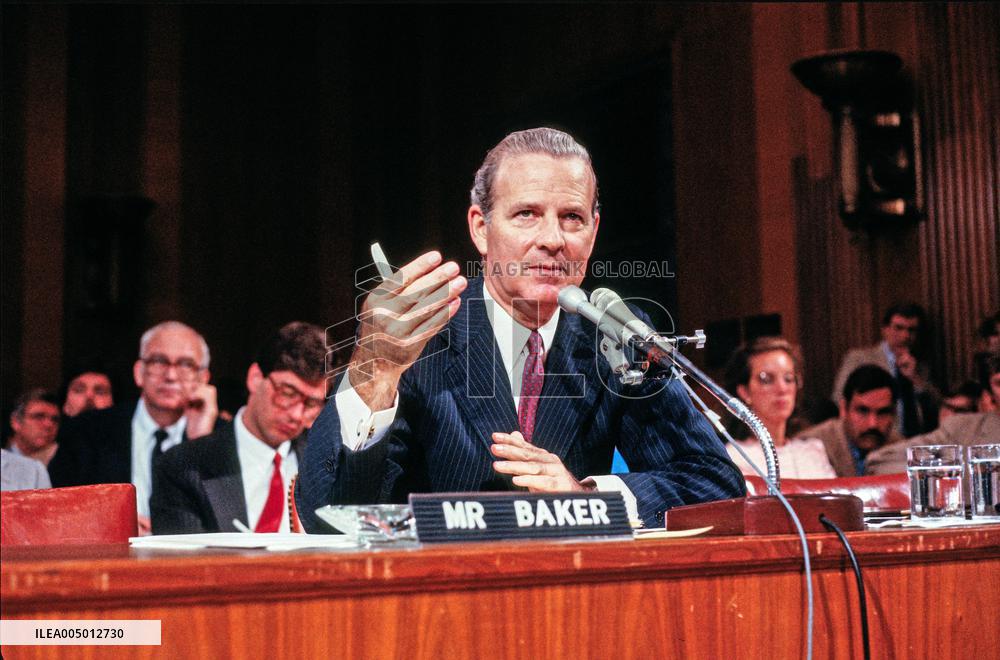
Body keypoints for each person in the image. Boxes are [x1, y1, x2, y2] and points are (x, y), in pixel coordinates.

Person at [296, 127, 744, 530]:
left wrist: (585, 498)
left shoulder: (614, 335)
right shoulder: (419, 332)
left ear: (593, 231)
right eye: (527, 213)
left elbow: (715, 483)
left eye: (572, 217)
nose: (552, 238)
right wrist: (376, 375)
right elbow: (331, 519)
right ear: (481, 228)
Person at [151, 322, 326, 534]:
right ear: (255, 378)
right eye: (287, 393)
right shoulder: (182, 467)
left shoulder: (328, 463)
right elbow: (185, 564)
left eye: (311, 404)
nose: (296, 415)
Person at [48, 321, 218, 535]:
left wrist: (200, 442)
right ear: (139, 372)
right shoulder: (88, 430)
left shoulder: (221, 436)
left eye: (186, 365)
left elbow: (229, 522)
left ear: (203, 378)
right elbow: (56, 509)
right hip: (109, 561)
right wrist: (111, 526)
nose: (171, 376)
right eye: (159, 361)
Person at [866, 354, 1000, 473]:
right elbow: (880, 461)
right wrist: (949, 473)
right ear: (989, 392)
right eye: (999, 383)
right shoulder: (964, 430)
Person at [723, 338, 836, 479]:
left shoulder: (813, 450)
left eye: (788, 378)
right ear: (744, 391)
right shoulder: (736, 456)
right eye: (767, 379)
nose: (782, 389)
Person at [831, 303, 939, 437]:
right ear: (885, 329)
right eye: (898, 328)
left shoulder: (920, 366)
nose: (905, 336)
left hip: (914, 441)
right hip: (876, 437)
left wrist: (916, 380)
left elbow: (936, 408)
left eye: (911, 330)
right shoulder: (860, 358)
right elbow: (839, 399)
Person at [796, 365, 905, 476]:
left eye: (883, 412)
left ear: (894, 414)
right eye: (863, 411)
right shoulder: (810, 445)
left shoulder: (900, 449)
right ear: (843, 408)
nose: (872, 424)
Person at [7, 389, 61, 467]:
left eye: (55, 420)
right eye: (38, 417)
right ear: (16, 422)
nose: (49, 425)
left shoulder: (67, 464)